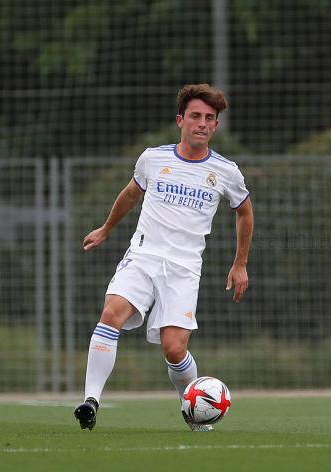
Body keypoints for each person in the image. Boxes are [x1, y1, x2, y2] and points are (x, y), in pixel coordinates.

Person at [73, 84, 254, 432]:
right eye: (196, 116)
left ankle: (194, 411)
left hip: (184, 268)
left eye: (210, 118)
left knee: (173, 349)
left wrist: (240, 262)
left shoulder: (226, 171)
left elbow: (244, 212)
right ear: (180, 120)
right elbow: (130, 195)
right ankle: (90, 401)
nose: (202, 123)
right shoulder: (153, 159)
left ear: (215, 126)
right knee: (111, 313)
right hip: (142, 256)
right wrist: (106, 229)